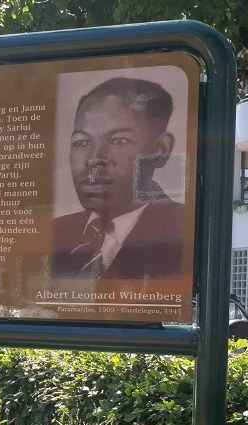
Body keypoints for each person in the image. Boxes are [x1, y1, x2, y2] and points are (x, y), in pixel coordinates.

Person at [51, 77, 185, 280]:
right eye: (81, 142)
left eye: (118, 140)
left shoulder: (185, 232)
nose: (94, 158)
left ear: (161, 149)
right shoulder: (54, 235)